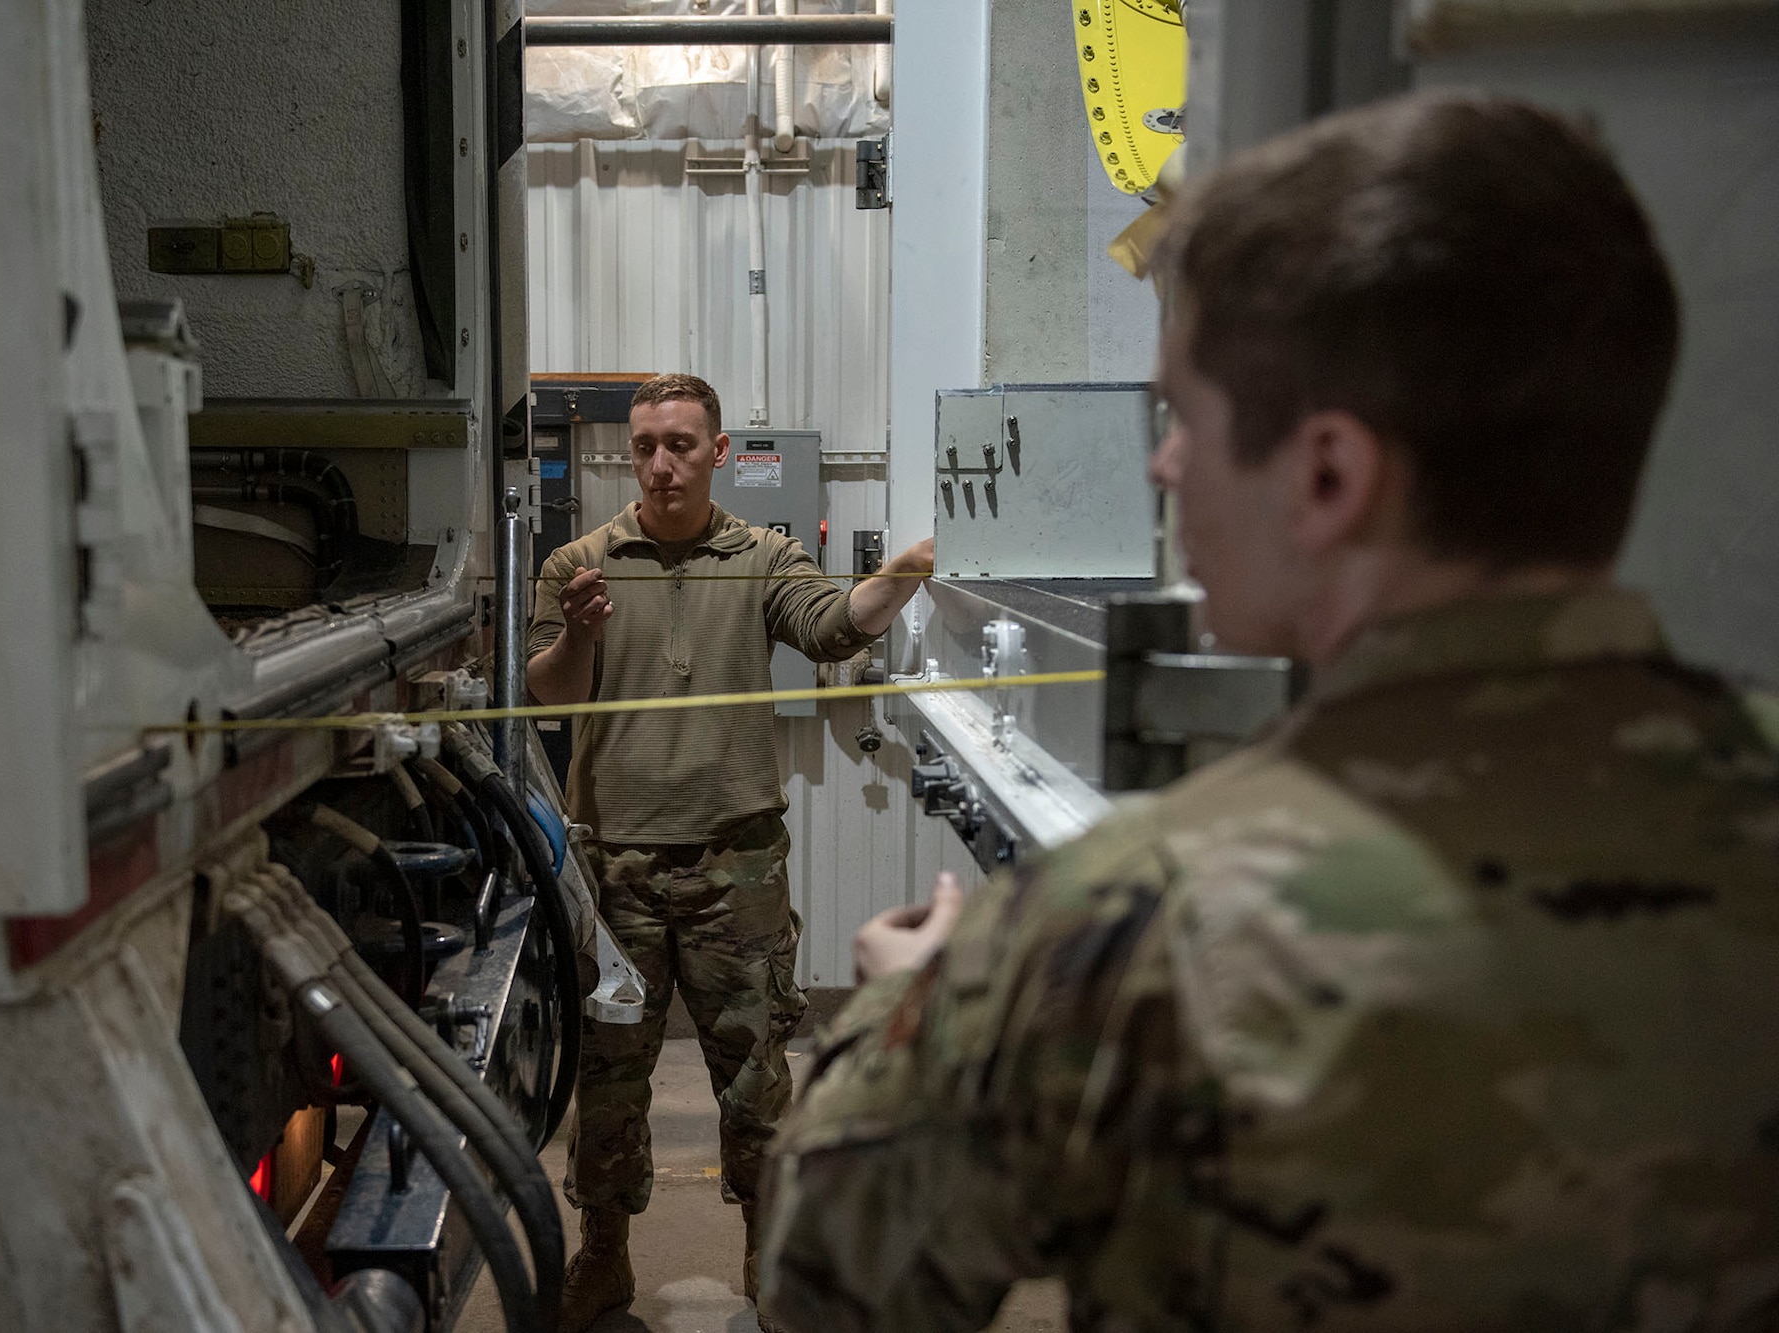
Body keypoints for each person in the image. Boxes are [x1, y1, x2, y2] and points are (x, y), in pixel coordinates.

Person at [758, 92, 1779, 1331]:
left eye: (1185, 416)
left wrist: (902, 1012)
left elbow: (831, 1286)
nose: (1161, 464)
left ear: (1328, 474)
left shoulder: (1131, 929)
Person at [527, 372, 935, 1331]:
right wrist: (581, 632)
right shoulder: (579, 563)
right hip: (613, 864)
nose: (662, 463)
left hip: (735, 864)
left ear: (718, 450)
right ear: (629, 454)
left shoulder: (763, 556)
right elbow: (551, 693)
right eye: (645, 446)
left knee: (757, 1077)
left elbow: (833, 631)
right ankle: (608, 1257)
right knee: (609, 1078)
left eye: (681, 443)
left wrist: (909, 569)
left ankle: (767, 1254)